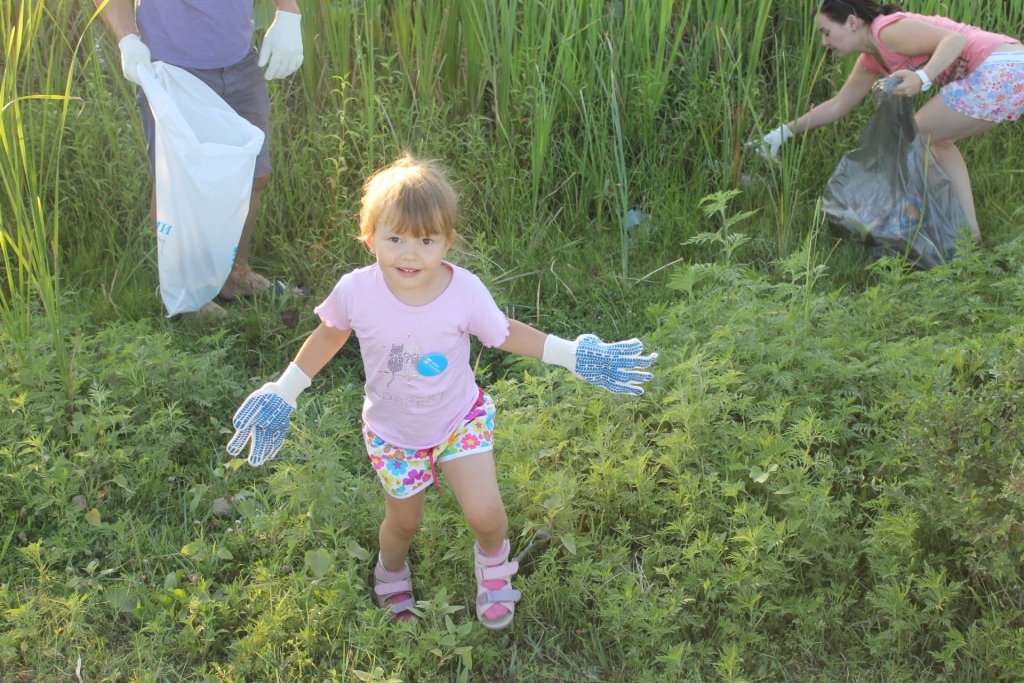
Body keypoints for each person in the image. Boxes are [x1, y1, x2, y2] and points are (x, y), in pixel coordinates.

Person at [224, 154, 658, 629]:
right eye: (395, 239)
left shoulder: (464, 291)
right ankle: (391, 571)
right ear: (369, 236)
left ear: (447, 241)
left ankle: (493, 564)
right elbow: (330, 334)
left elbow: (505, 332)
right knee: (403, 525)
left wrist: (572, 354)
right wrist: (285, 390)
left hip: (458, 421)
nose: (410, 254)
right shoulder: (355, 291)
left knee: (488, 514)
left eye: (426, 241)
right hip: (393, 433)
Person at [92, 0, 304, 316]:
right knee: (177, 183)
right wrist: (127, 38)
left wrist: (288, 12)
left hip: (239, 61)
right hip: (170, 67)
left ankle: (235, 274)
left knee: (254, 173)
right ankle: (186, 293)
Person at [761, 0, 1024, 243]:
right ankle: (970, 234)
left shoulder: (885, 31)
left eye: (826, 32)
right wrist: (782, 132)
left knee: (914, 135)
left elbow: (955, 40)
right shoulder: (872, 59)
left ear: (852, 23)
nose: (823, 42)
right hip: (1010, 71)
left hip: (1002, 66)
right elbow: (838, 105)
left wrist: (922, 77)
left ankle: (919, 223)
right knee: (938, 143)